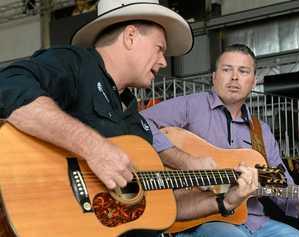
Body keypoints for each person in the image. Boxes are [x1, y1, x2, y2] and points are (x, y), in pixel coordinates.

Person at [0, 0, 193, 236]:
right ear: (130, 36)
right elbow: (8, 86)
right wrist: (93, 147)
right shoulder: (76, 64)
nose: (163, 61)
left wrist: (222, 202)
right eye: (159, 48)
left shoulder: (137, 121)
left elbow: (158, 203)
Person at [141, 44, 299, 237]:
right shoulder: (192, 106)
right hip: (201, 222)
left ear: (253, 82)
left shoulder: (261, 132)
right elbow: (139, 122)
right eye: (226, 70)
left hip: (256, 223)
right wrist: (185, 161)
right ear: (214, 77)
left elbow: (285, 194)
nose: (234, 77)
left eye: (243, 71)